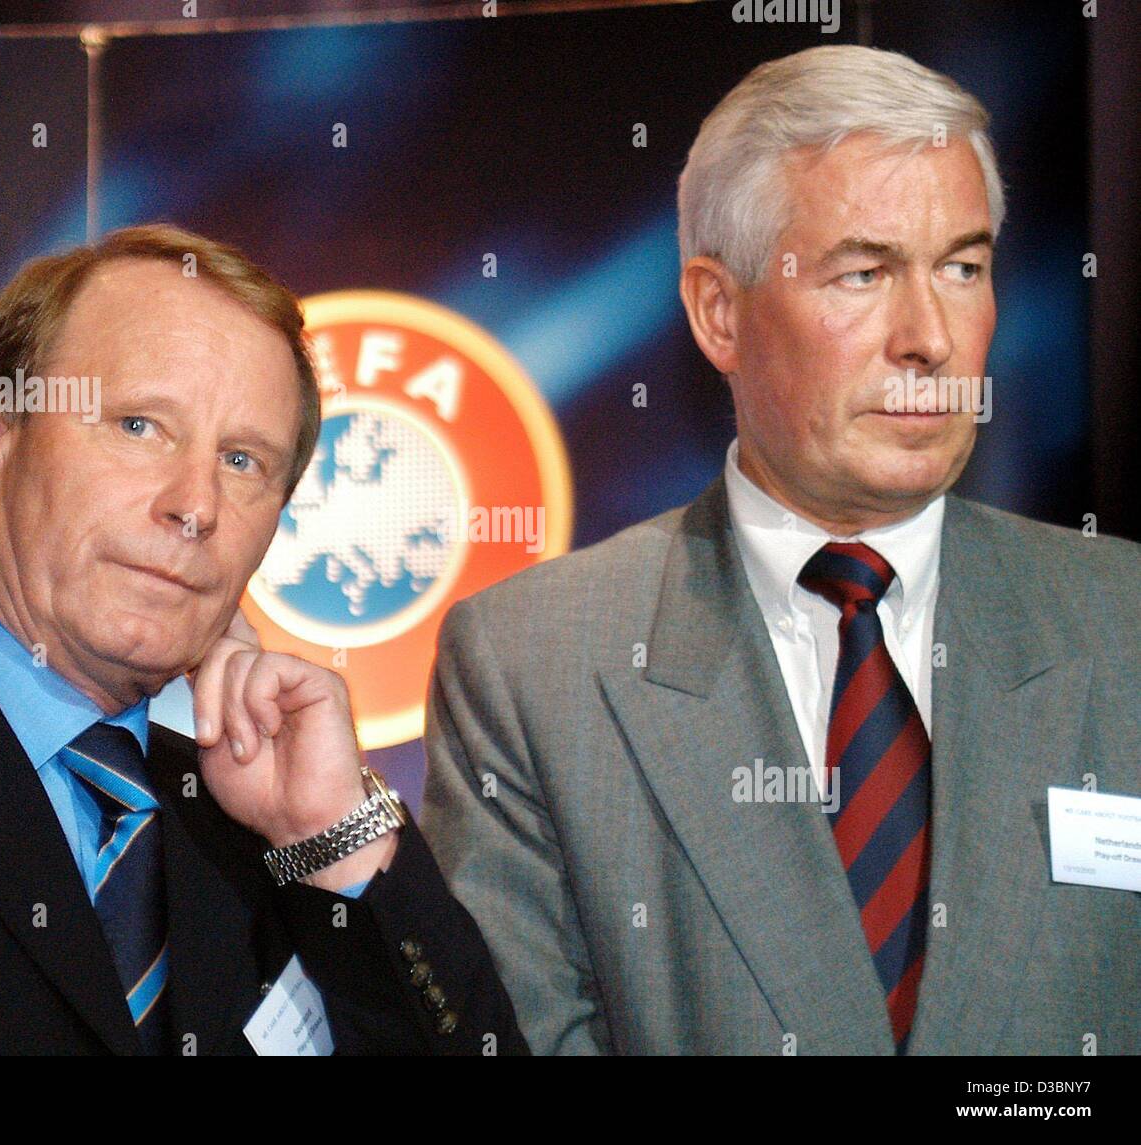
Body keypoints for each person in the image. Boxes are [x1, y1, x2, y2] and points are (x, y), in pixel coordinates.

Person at [422, 45, 1140, 1055]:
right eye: (863, 272)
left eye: (963, 267)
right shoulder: (532, 663)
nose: (929, 337)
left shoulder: (1124, 622)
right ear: (720, 310)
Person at [0, 224, 526, 1056]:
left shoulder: (259, 826)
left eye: (242, 461)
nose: (195, 503)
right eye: (138, 426)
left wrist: (333, 834)